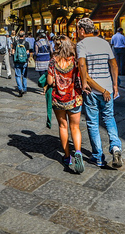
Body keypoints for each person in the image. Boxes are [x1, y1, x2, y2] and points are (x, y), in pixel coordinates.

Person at [76, 17, 122, 169]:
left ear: (82, 30)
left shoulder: (81, 44)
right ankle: (115, 147)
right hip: (107, 87)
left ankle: (98, 157)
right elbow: (114, 64)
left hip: (91, 90)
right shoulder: (104, 42)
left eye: (77, 30)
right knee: (109, 118)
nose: (77, 33)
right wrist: (115, 85)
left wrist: (84, 82)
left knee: (93, 123)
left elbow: (82, 65)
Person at [48, 35, 85, 174]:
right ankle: (78, 152)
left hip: (59, 99)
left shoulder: (53, 61)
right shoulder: (75, 60)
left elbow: (50, 81)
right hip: (74, 97)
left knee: (63, 126)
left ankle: (67, 156)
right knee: (75, 127)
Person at [12, 31, 32, 97]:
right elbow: (28, 52)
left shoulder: (15, 43)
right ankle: (25, 88)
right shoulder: (26, 43)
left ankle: (20, 89)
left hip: (17, 61)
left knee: (18, 76)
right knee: (24, 75)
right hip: (24, 61)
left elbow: (12, 52)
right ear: (24, 36)